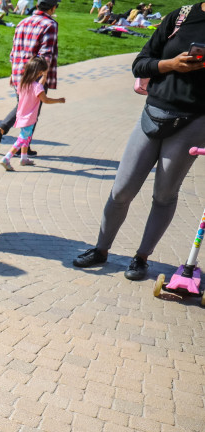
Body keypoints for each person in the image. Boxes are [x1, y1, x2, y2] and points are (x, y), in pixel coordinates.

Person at [73, 3, 205, 281]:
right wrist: (169, 65)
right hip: (153, 112)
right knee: (122, 189)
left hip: (193, 122)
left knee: (164, 195)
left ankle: (141, 257)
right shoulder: (181, 17)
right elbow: (140, 63)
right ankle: (101, 249)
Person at [0, 0, 59, 158]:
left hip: (19, 72)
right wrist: (44, 76)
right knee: (30, 110)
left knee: (23, 106)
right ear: (53, 8)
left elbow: (14, 50)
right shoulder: (50, 24)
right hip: (35, 75)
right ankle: (0, 131)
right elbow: (45, 54)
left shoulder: (22, 22)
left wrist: (13, 73)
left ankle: (23, 145)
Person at [0, 56, 65, 170]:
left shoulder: (23, 83)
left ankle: (24, 158)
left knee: (27, 137)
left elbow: (37, 86)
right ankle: (6, 158)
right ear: (39, 72)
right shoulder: (37, 87)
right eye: (42, 72)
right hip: (29, 117)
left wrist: (44, 76)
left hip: (22, 115)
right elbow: (45, 99)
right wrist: (59, 100)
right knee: (22, 138)